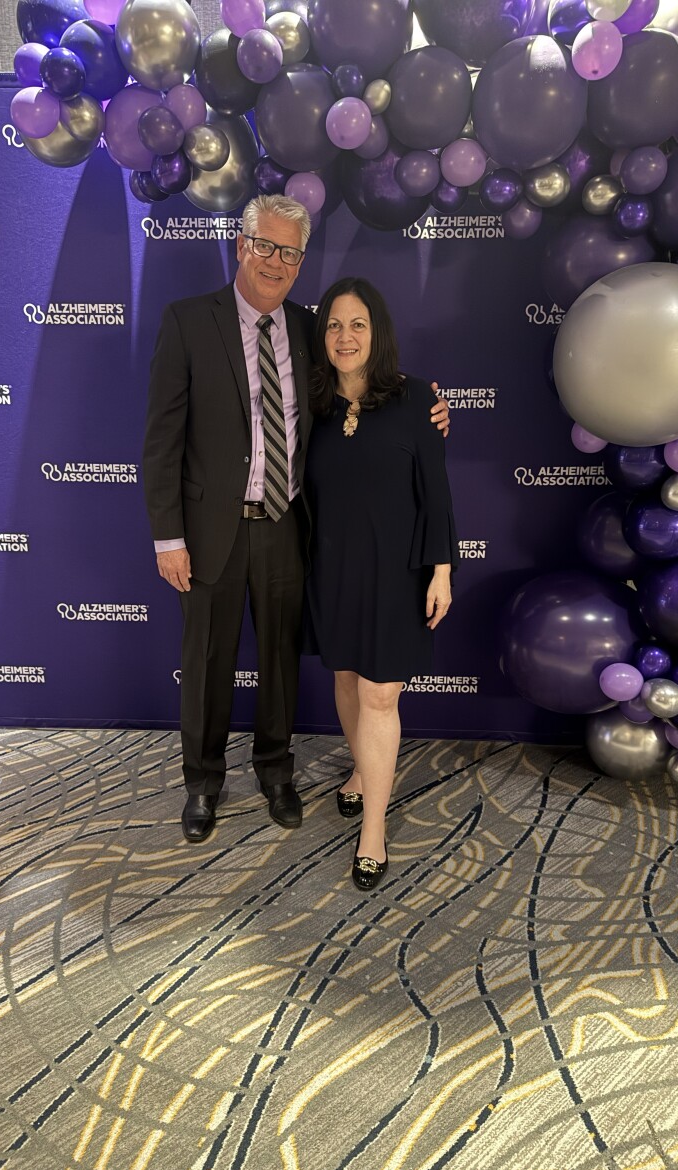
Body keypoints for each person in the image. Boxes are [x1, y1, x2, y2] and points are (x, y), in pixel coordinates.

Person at [143, 196, 449, 845]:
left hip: (288, 524)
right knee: (207, 659)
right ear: (241, 244)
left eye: (289, 252)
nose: (275, 261)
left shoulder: (311, 327)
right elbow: (162, 440)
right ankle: (203, 782)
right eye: (265, 245)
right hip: (210, 529)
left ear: (301, 261)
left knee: (281, 660)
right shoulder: (188, 321)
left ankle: (276, 773)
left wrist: (426, 404)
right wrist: (169, 537)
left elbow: (363, 366)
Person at [304, 277, 458, 891]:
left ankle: (373, 830)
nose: (345, 337)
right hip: (332, 569)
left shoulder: (417, 399)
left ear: (378, 332)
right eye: (334, 325)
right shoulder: (311, 406)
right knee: (346, 678)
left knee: (379, 696)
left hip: (398, 572)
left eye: (358, 324)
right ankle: (362, 771)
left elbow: (437, 493)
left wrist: (442, 570)